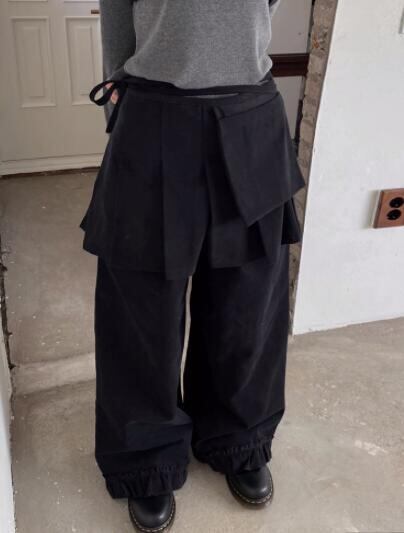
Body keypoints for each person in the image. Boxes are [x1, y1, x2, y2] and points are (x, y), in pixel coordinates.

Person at [80, 0, 306, 531]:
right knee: (142, 310)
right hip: (153, 113)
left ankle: (239, 435)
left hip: (249, 115)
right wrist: (121, 112)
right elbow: (117, 18)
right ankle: (147, 457)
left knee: (247, 303)